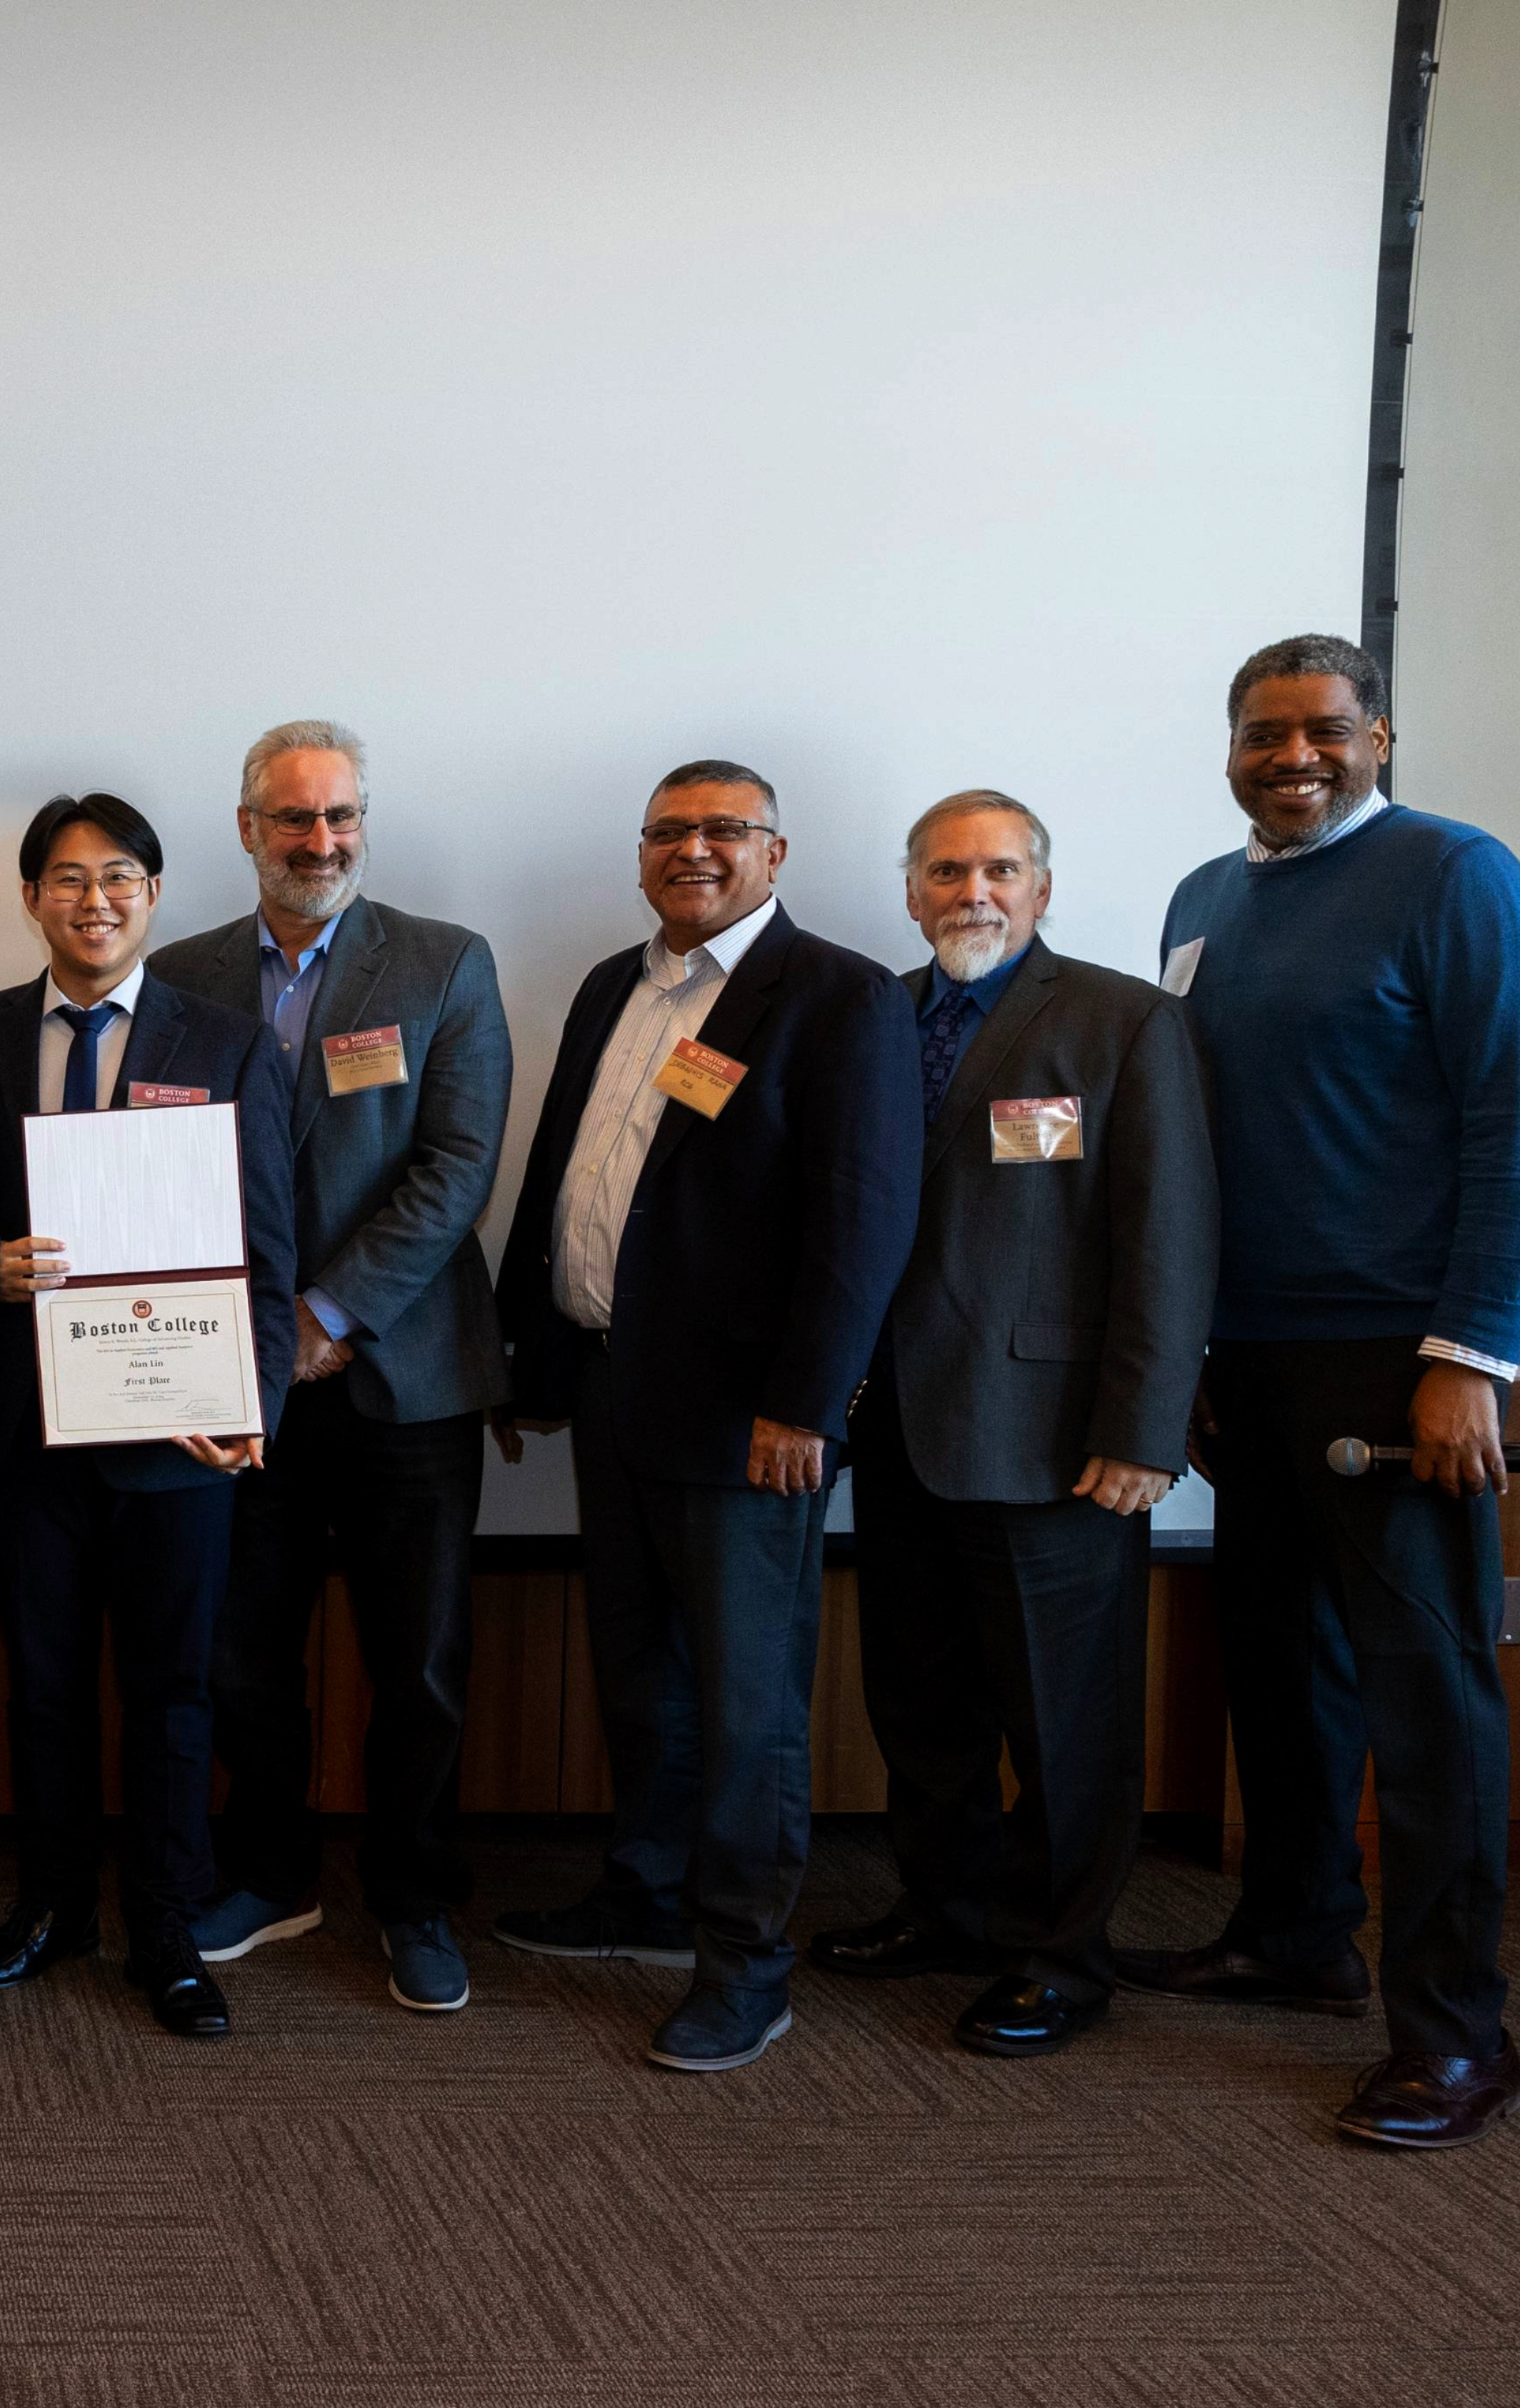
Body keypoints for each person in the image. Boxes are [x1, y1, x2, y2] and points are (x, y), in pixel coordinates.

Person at [1130, 634, 1520, 2149]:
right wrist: (1192, 1348)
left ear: (1380, 735)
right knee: (1279, 1666)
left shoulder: (1461, 879)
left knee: (1429, 1701)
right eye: (1262, 733)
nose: (1293, 755)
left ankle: (1460, 2036)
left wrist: (1471, 1356)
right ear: (1228, 750)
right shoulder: (1206, 901)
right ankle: (1295, 1934)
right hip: (1248, 1361)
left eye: (1326, 728)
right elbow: (1198, 1154)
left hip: (1401, 1365)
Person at [488, 759, 915, 2074]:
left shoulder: (836, 997)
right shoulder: (614, 987)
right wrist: (529, 1357)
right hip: (616, 1389)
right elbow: (562, 1173)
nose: (694, 851)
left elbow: (863, 1222)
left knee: (746, 1703)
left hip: (748, 1422)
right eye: (669, 832)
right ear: (639, 855)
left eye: (724, 831)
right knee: (641, 1673)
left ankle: (745, 1964)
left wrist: (807, 1406)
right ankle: (647, 1892)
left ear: (775, 856)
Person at [804, 794, 1213, 2057]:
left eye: (997, 869)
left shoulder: (1120, 1020)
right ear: (910, 890)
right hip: (900, 1432)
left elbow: (1169, 1237)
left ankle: (1058, 1955)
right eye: (944, 870)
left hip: (1053, 1441)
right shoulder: (876, 1014)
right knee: (920, 1701)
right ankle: (948, 1910)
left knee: (1062, 1717)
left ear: (1041, 887)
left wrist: (1144, 1431)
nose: (970, 891)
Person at [150, 720, 513, 2014]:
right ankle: (268, 1872)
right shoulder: (179, 973)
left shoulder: (444, 963)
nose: (321, 842)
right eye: (293, 819)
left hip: (402, 1376)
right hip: (233, 1378)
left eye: (341, 817)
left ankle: (414, 1896)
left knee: (416, 1656)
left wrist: (329, 1312)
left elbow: (457, 1167)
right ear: (246, 829)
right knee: (243, 1647)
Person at [0, 792, 296, 2041]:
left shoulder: (228, 1042)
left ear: (150, 895)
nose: (94, 901)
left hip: (174, 1432)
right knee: (41, 1685)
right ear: (31, 895)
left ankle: (164, 1928)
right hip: (27, 1428)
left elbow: (265, 1241)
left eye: (120, 879)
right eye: (67, 879)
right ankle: (50, 1908)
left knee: (171, 1691)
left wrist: (249, 1397)